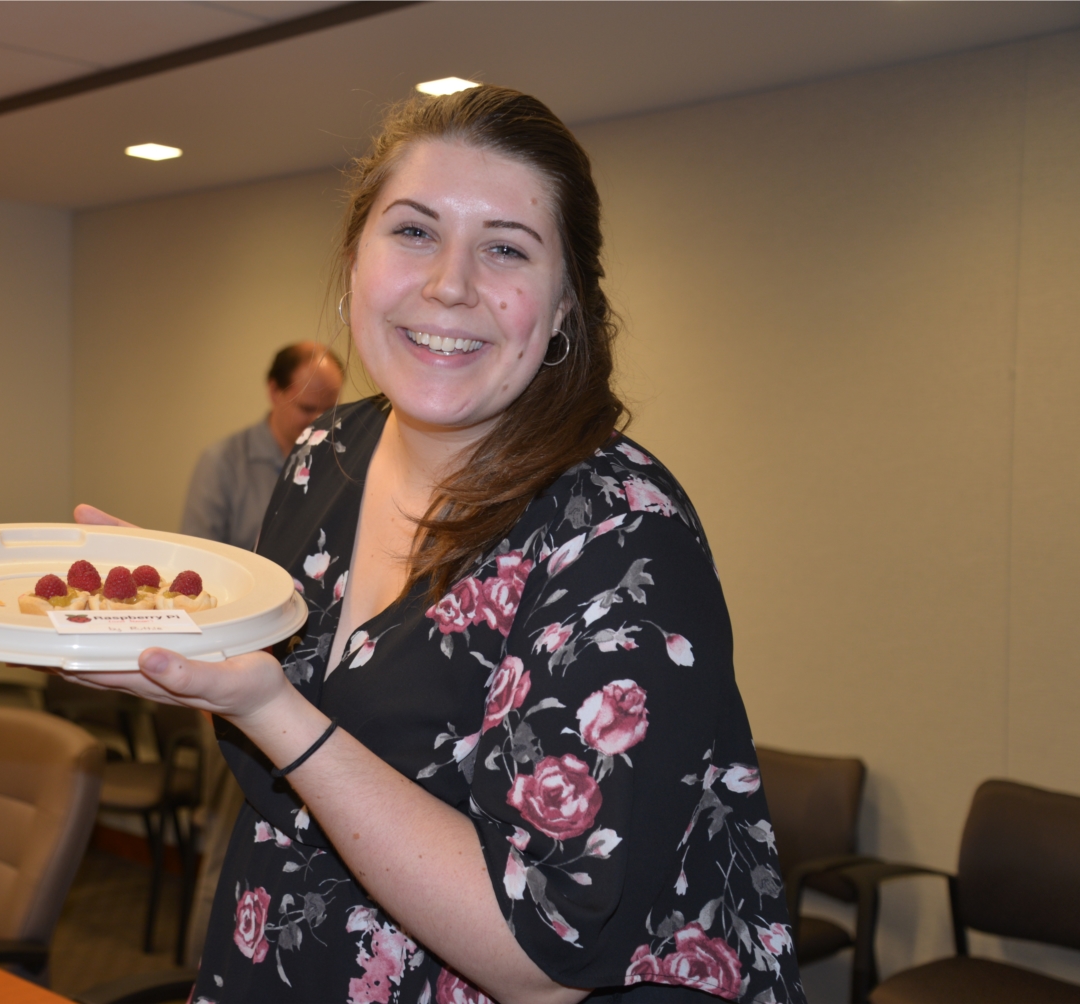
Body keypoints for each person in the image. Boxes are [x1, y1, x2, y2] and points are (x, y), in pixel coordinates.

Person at [71, 85, 804, 1004]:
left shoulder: (622, 532)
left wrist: (268, 707)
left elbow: (548, 960)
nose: (449, 283)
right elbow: (298, 774)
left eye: (504, 247)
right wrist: (195, 634)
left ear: (568, 304)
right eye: (413, 232)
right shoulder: (321, 459)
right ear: (352, 264)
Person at [179, 343, 344, 551]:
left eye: (331, 410)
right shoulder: (221, 462)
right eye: (307, 408)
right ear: (275, 391)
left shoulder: (342, 462)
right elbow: (197, 555)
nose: (320, 420)